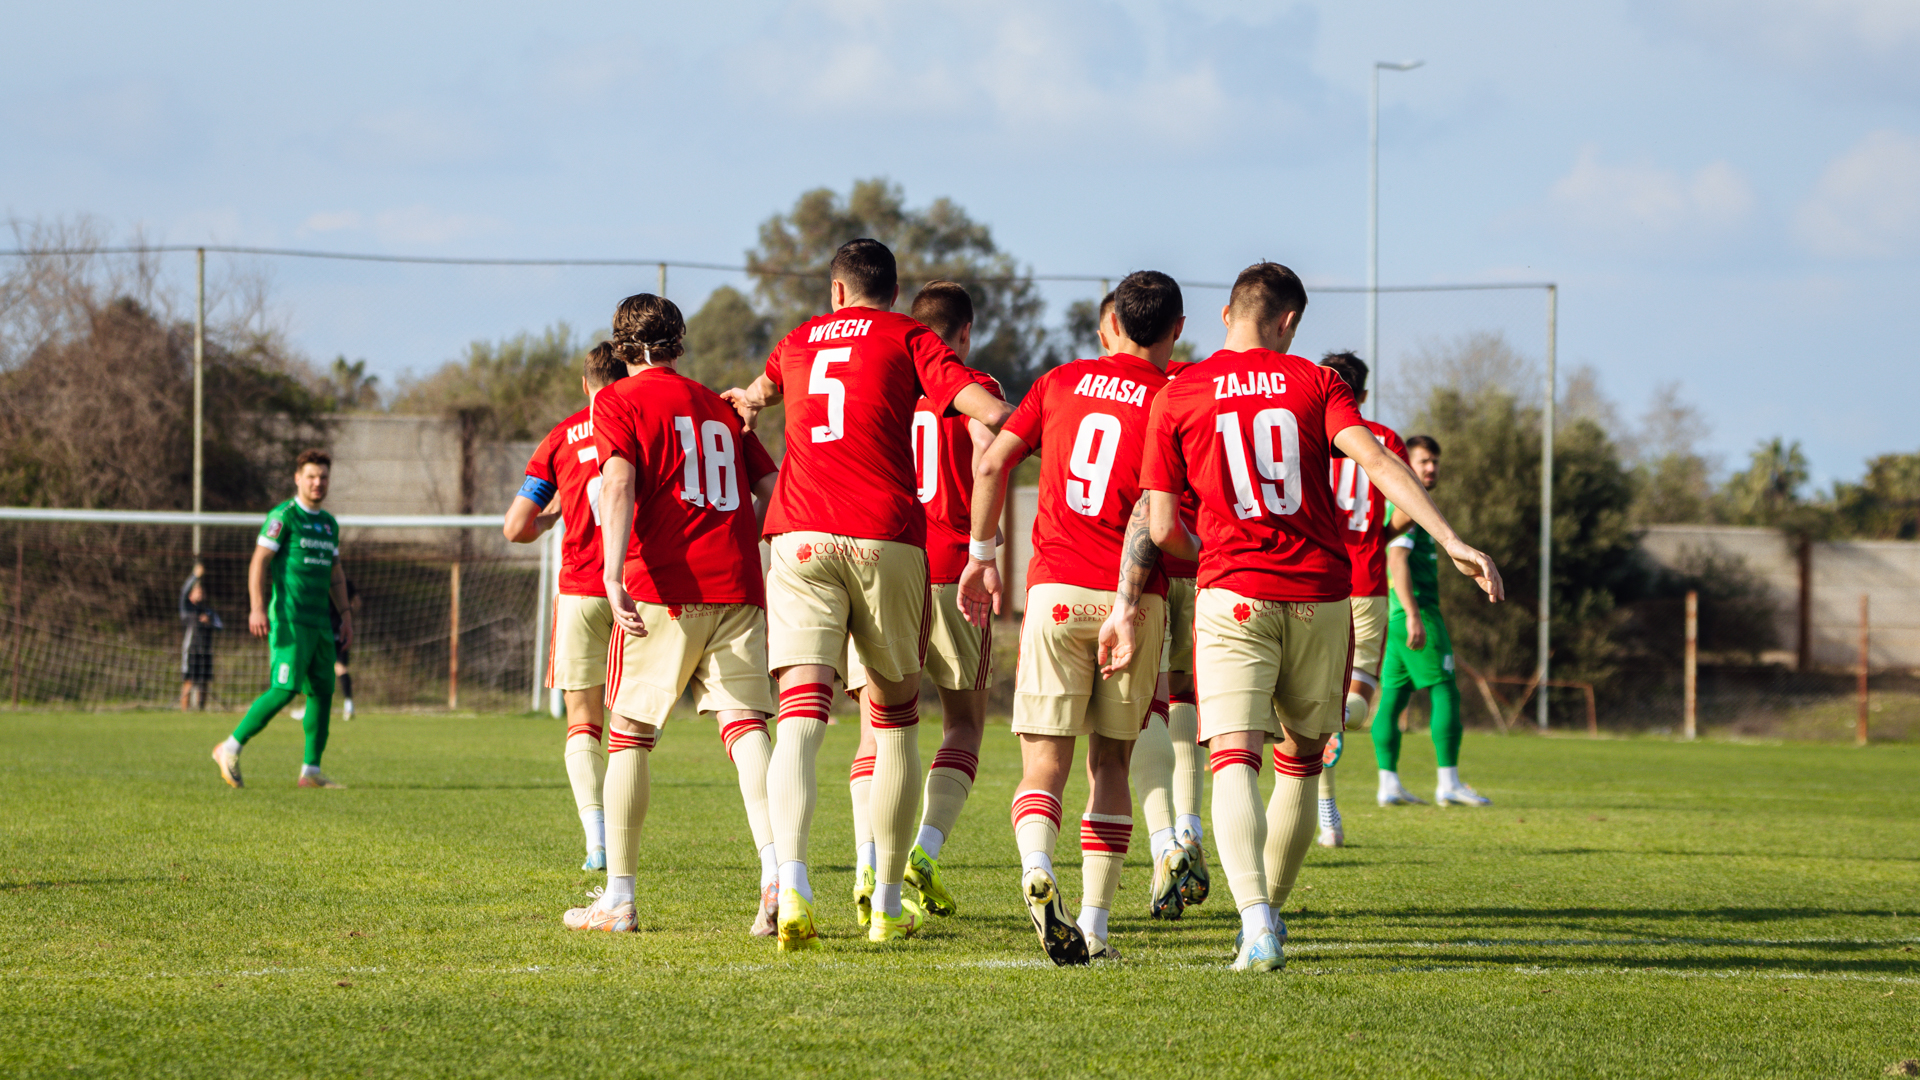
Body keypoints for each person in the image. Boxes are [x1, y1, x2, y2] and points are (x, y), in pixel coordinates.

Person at [1106, 261, 1503, 972]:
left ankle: (1254, 923)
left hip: (1235, 592)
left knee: (1231, 757)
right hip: (1324, 595)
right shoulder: (1317, 383)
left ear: (1228, 314)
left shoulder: (1181, 391)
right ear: (1288, 321)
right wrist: (1451, 540)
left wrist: (1204, 557)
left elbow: (1159, 521)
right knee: (1302, 763)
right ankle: (1272, 919)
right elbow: (1379, 462)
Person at [723, 238, 1013, 950]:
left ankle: (792, 884)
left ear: (836, 291)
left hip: (798, 536)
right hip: (887, 537)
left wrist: (751, 402)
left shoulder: (796, 341)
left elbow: (755, 394)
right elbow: (986, 412)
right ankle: (884, 903)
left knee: (800, 716)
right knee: (895, 720)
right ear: (890, 289)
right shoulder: (910, 336)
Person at [960, 269, 1184, 964]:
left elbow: (994, 464)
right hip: (1135, 600)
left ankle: (1037, 866)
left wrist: (982, 553)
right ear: (1176, 331)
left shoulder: (1059, 383)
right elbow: (1157, 514)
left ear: (1110, 323)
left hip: (1054, 593)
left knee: (1043, 765)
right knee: (1110, 762)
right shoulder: (1176, 396)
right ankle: (1095, 927)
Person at [558, 294, 783, 935]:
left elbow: (621, 483)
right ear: (680, 345)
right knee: (746, 731)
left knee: (629, 733)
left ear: (623, 347)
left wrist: (609, 572)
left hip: (665, 587)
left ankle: (619, 899)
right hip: (738, 584)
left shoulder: (617, 401)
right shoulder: (718, 403)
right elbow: (772, 488)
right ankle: (775, 872)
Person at [842, 280, 1004, 927]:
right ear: (963, 334)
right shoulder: (975, 387)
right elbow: (992, 452)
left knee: (874, 726)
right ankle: (924, 851)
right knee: (962, 722)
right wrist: (984, 552)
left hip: (884, 562)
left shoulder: (888, 383)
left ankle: (864, 860)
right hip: (953, 565)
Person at [505, 341, 626, 873]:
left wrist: (551, 520)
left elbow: (515, 528)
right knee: (631, 727)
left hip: (580, 589)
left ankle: (596, 840)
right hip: (637, 588)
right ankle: (624, 842)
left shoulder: (560, 436)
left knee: (582, 721)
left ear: (585, 384)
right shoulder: (644, 423)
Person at [211, 449, 354, 790]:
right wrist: (257, 606)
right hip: (289, 621)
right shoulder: (284, 517)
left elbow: (336, 573)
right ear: (297, 478)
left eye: (323, 477)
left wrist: (346, 615)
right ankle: (228, 748)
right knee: (285, 688)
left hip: (321, 623)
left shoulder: (329, 524)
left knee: (323, 692)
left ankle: (311, 771)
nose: (318, 483)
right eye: (311, 476)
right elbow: (259, 560)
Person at [1315, 351, 1408, 845]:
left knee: (1313, 697)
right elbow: (1408, 506)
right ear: (1364, 395)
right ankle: (1342, 723)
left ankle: (1324, 804)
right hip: (1367, 580)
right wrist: (1377, 532)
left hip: (1314, 578)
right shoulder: (1386, 438)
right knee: (1360, 689)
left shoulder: (1304, 424)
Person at [1374, 435, 1492, 807]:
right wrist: (1412, 614)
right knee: (1445, 689)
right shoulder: (1404, 505)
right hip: (1415, 609)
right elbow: (1396, 561)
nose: (1430, 468)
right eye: (1423, 461)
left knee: (1392, 699)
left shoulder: (1412, 505)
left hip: (1394, 612)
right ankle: (1449, 782)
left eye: (1434, 462)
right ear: (1405, 464)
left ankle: (1388, 783)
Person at [178, 565, 222, 711]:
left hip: (206, 651)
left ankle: (200, 709)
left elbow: (220, 627)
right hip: (191, 650)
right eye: (197, 591)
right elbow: (184, 592)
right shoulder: (187, 609)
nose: (200, 593)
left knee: (204, 681)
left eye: (201, 591)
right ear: (191, 595)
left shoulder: (209, 611)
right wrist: (195, 576)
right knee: (189, 680)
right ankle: (185, 710)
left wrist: (209, 622)